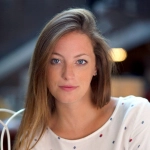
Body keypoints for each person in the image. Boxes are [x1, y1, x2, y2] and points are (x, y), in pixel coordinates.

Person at [13, 8, 150, 150]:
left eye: (80, 62)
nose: (68, 74)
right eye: (56, 61)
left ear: (96, 67)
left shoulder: (134, 116)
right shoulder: (32, 140)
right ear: (42, 67)